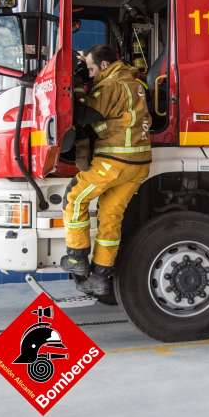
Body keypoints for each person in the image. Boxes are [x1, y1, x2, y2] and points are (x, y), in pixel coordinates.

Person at [60, 44, 152, 296]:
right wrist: (84, 65)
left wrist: (77, 82)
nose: (90, 74)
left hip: (115, 161)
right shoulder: (134, 82)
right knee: (110, 217)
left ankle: (77, 258)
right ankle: (100, 276)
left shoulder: (111, 85)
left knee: (75, 198)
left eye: (91, 69)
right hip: (139, 164)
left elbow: (83, 114)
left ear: (103, 66)